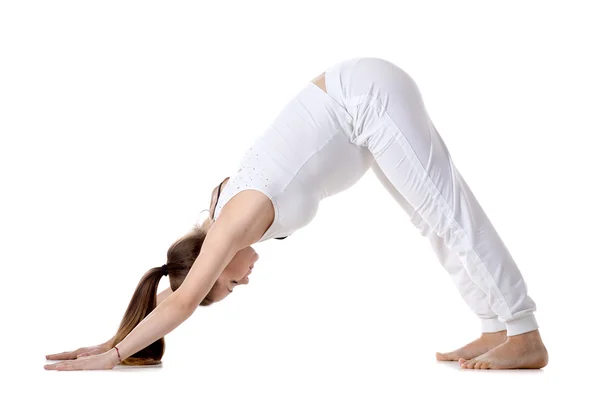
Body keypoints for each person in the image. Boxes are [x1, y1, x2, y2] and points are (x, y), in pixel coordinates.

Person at [44, 57, 548, 371]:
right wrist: (116, 336)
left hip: (366, 99)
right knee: (432, 217)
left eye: (232, 283)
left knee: (446, 212)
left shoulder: (233, 223)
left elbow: (180, 304)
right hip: (360, 111)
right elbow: (177, 291)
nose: (246, 280)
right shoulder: (216, 228)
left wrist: (109, 358)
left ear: (216, 264)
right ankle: (495, 324)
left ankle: (523, 333)